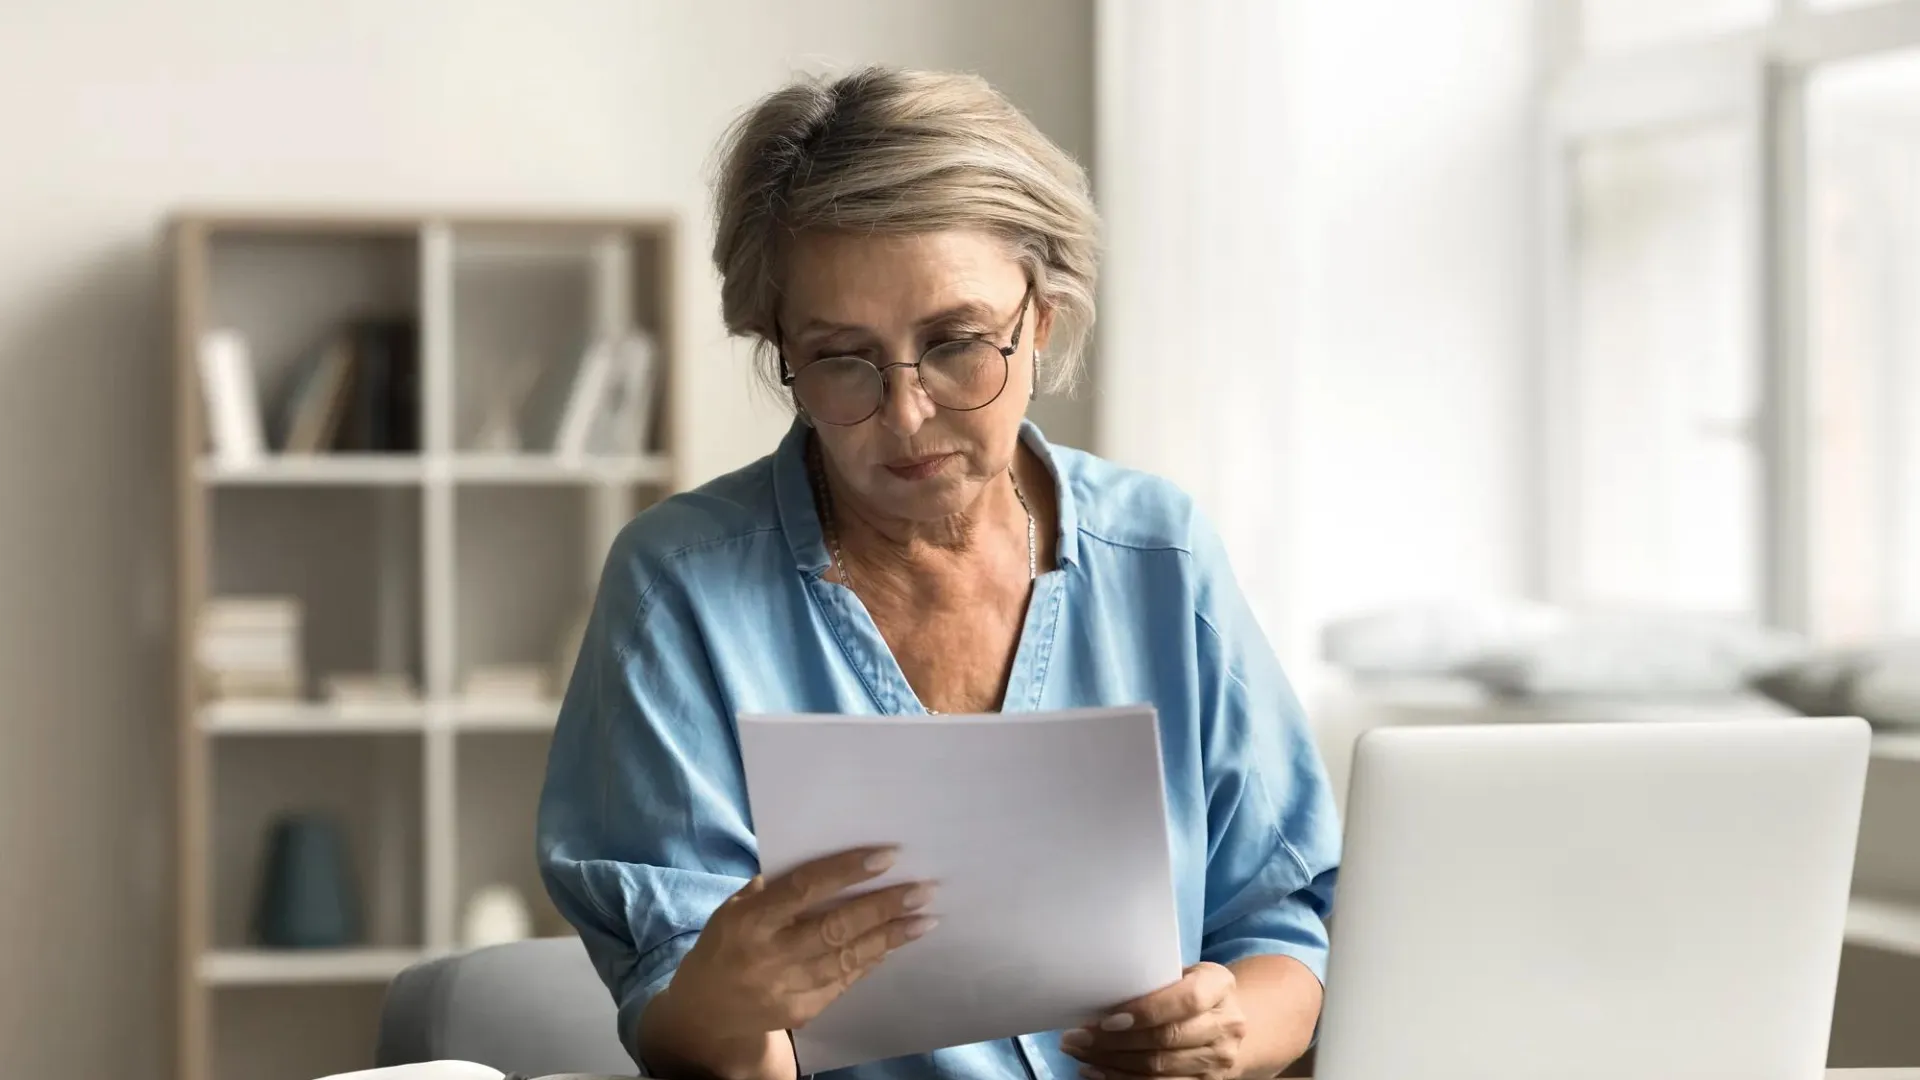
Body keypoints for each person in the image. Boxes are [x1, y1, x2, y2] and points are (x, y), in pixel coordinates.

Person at [533, 65, 1340, 1080]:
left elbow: (1285, 917)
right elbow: (683, 1014)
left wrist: (1231, 1032)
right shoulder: (681, 587)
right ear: (780, 346)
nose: (907, 416)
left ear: (1040, 318)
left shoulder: (1162, 554)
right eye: (842, 359)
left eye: (958, 344)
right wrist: (728, 1005)